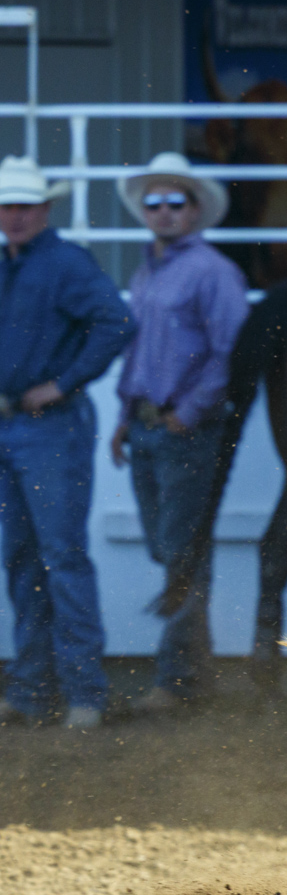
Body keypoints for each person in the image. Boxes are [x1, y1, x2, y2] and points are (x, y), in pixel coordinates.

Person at [109, 152, 250, 713]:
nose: (164, 211)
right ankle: (194, 673)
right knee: (173, 547)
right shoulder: (149, 269)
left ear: (195, 210)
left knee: (180, 551)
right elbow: (140, 350)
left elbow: (228, 351)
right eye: (154, 202)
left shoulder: (212, 271)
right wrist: (125, 416)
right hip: (149, 424)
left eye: (176, 201)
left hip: (182, 428)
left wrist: (189, 411)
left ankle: (180, 679)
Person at [0, 156, 134, 730]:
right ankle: (33, 691)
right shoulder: (12, 262)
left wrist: (61, 384)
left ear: (45, 208)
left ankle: (84, 693)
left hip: (50, 426)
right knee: (25, 559)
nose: (16, 214)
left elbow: (117, 323)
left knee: (60, 557)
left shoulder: (64, 262)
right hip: (13, 426)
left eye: (25, 205)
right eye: (7, 205)